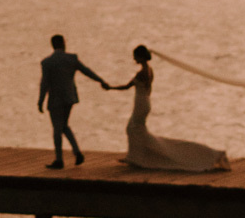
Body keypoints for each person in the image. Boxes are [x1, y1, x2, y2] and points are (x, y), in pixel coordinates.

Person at [109, 44, 229, 172]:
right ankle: (134, 157)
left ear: (141, 56)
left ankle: (136, 157)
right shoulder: (150, 70)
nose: (134, 59)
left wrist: (110, 87)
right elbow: (148, 90)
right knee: (134, 129)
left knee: (134, 128)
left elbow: (126, 86)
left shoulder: (142, 73)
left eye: (135, 56)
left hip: (141, 103)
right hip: (144, 102)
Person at [38, 33, 109, 169]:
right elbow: (87, 71)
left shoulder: (47, 62)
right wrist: (101, 80)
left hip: (55, 98)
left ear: (52, 45)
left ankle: (59, 159)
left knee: (57, 128)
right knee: (64, 125)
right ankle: (77, 152)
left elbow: (44, 83)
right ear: (63, 43)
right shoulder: (71, 59)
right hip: (69, 97)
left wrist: (40, 100)